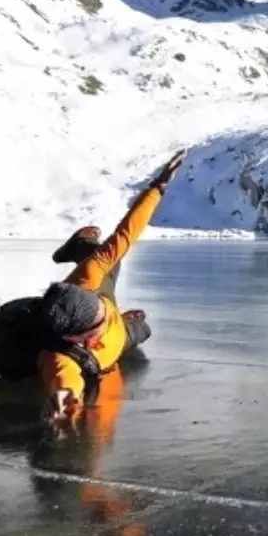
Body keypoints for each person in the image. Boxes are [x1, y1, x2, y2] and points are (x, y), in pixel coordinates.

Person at [40, 150, 186, 422]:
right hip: (117, 340)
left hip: (100, 296)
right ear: (78, 339)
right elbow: (63, 375)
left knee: (108, 260)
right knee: (143, 329)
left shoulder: (87, 278)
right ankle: (124, 321)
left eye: (100, 318)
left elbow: (125, 235)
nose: (97, 331)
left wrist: (158, 187)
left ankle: (80, 244)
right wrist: (66, 394)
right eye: (94, 331)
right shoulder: (64, 354)